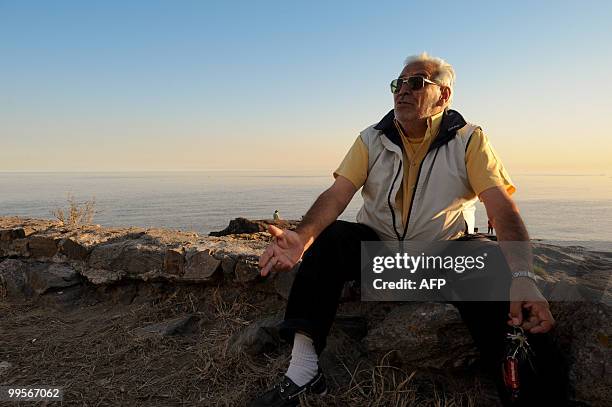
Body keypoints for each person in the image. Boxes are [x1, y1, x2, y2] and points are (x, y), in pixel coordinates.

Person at [251, 53, 568, 406]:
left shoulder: (469, 139)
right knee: (331, 238)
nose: (402, 90)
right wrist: (303, 237)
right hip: (382, 259)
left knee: (492, 264)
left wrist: (523, 274)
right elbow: (338, 194)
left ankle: (537, 397)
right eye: (397, 84)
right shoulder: (371, 138)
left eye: (415, 82)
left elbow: (502, 207)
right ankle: (303, 372)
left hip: (442, 259)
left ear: (443, 95)